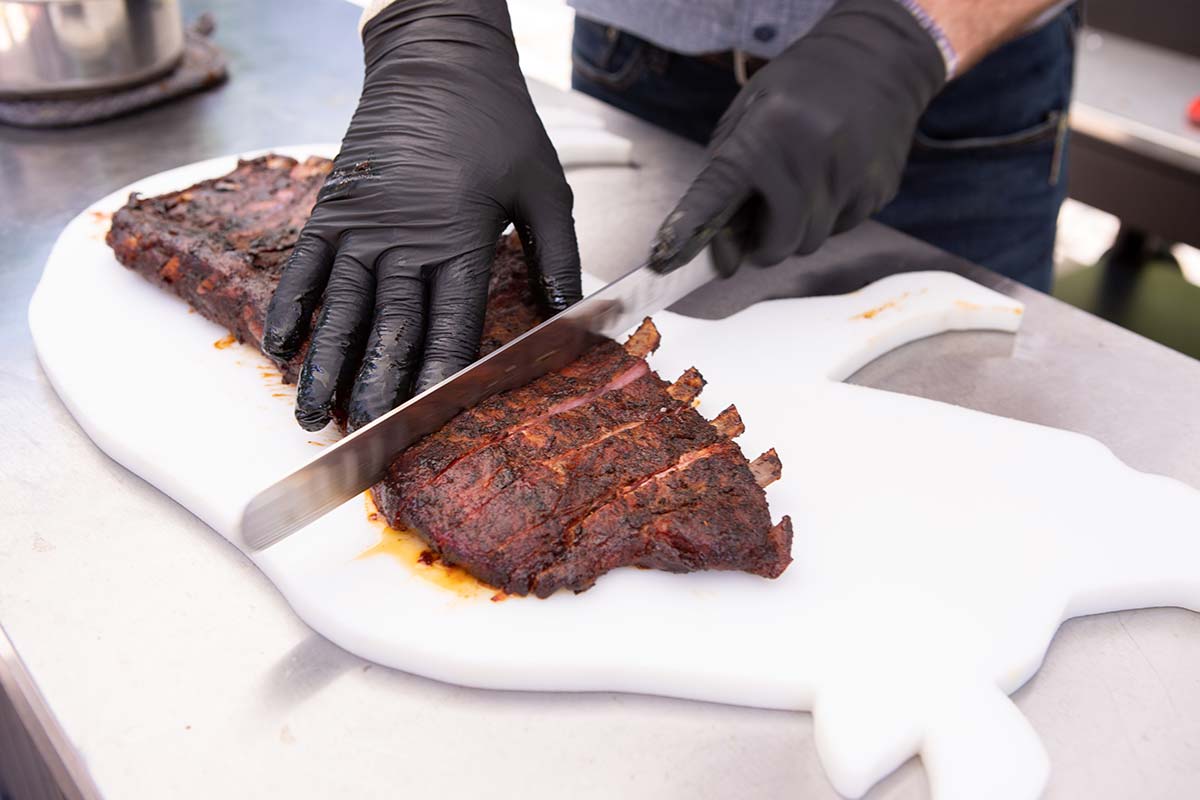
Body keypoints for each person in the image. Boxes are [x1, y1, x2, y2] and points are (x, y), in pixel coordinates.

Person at [263, 0, 1076, 434]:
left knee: (951, 415)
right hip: (638, 64)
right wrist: (430, 22)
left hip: (947, 96)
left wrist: (916, 33)